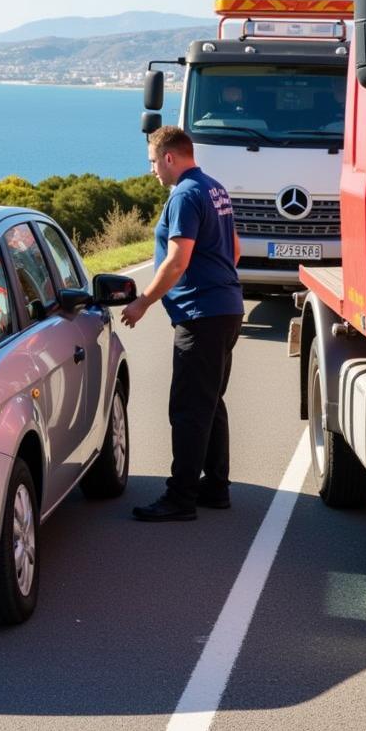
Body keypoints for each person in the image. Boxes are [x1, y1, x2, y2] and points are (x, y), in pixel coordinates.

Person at [121, 125, 244, 522]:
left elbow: (177, 260)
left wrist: (142, 301)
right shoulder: (214, 188)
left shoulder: (185, 195)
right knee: (210, 402)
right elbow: (235, 249)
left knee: (189, 408)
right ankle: (216, 486)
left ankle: (181, 497)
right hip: (225, 308)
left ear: (169, 157)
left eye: (153, 162)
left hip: (201, 316)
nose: (153, 171)